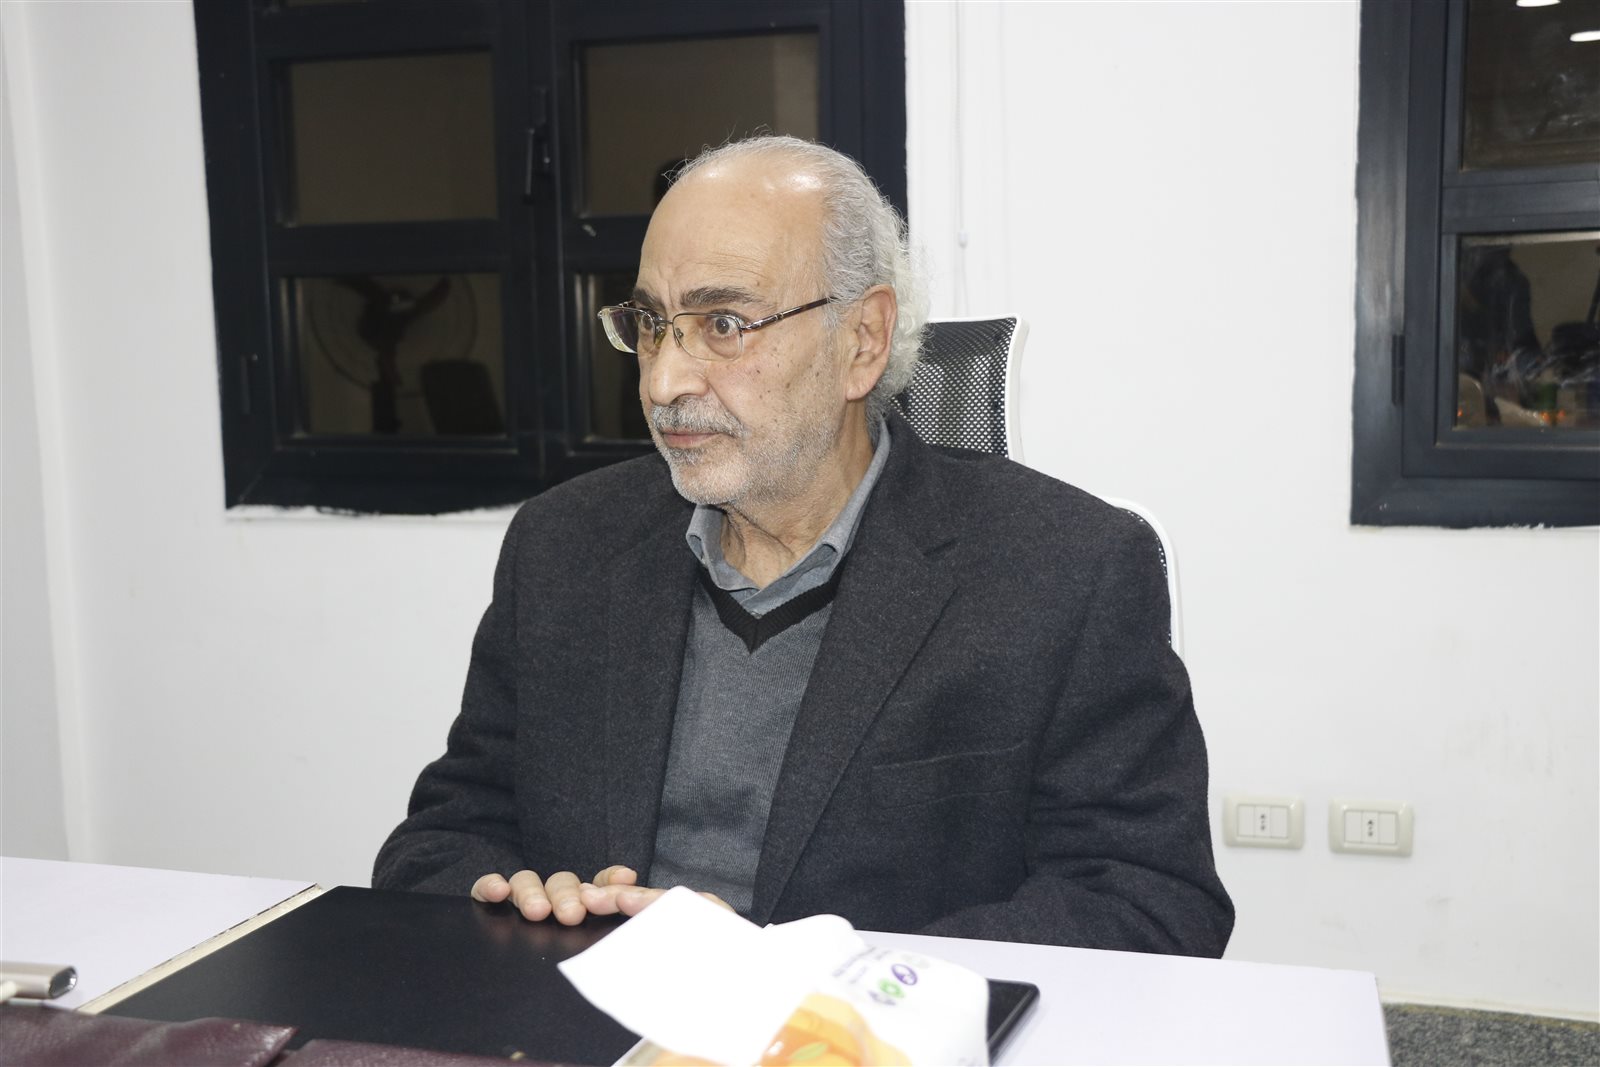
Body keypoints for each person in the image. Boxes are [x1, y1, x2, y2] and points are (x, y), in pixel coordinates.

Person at [374, 135, 1233, 957]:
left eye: (723, 323)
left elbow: (1149, 901)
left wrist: (805, 972)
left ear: (863, 340)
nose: (663, 380)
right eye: (651, 323)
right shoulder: (564, 545)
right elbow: (442, 838)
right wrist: (518, 903)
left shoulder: (1067, 570)